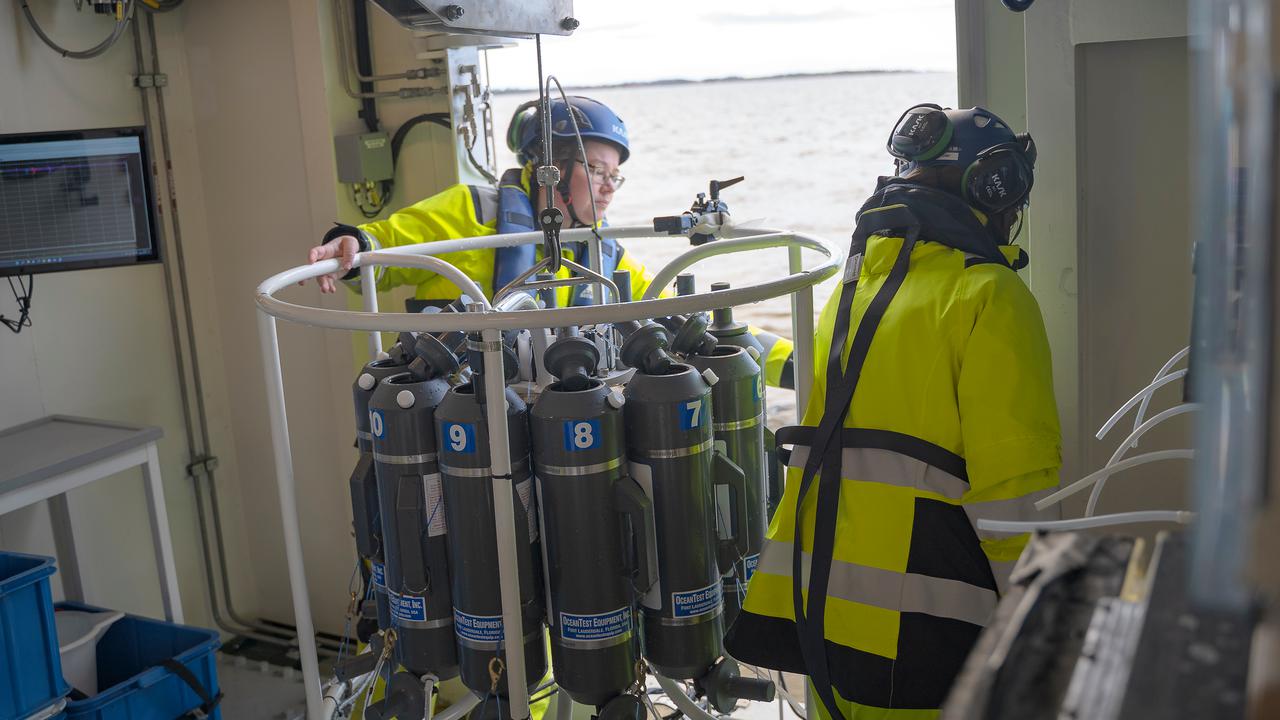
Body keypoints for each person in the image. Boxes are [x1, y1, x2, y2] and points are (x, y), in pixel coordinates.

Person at [725, 105, 1062, 720]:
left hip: (823, 613)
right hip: (930, 628)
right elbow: (1011, 490)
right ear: (997, 190)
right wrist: (1040, 623)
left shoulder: (856, 288)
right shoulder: (990, 293)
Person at [304, 94, 795, 386]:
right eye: (597, 170)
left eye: (615, 176)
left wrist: (789, 365)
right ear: (550, 169)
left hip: (574, 423)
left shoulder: (606, 253)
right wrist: (351, 244)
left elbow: (681, 316)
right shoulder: (473, 213)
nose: (608, 186)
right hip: (474, 423)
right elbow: (385, 247)